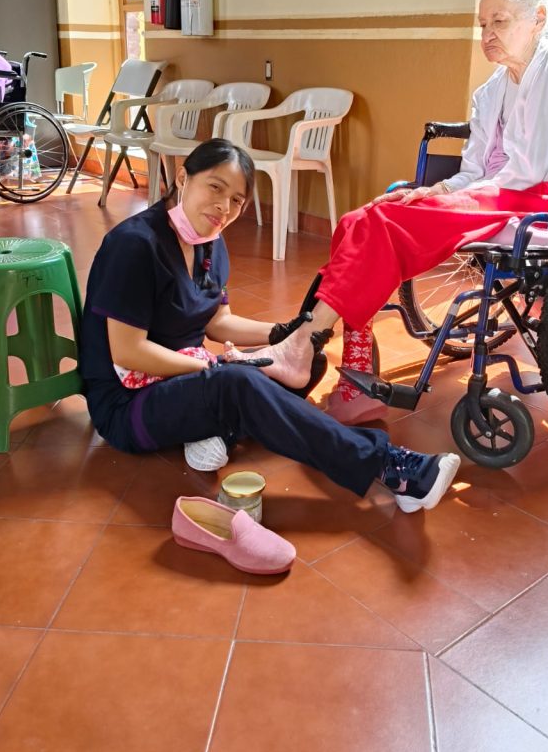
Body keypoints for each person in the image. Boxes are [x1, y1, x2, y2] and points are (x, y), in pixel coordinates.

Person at [224, 0, 548, 422]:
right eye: (482, 24)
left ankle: (301, 344)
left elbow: (528, 168)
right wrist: (437, 191)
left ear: (539, 18)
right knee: (362, 217)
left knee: (384, 223)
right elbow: (473, 169)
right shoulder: (491, 90)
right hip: (502, 191)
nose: (487, 34)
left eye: (500, 22)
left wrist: (450, 199)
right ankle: (356, 365)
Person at [80, 138, 461, 514]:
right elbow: (129, 352)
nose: (222, 207)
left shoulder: (209, 242)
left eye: (236, 200)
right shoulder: (134, 245)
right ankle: (390, 467)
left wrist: (285, 334)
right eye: (215, 187)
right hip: (128, 405)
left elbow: (218, 323)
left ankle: (207, 424)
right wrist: (211, 368)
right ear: (183, 178)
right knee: (236, 384)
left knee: (308, 364)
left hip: (184, 376)